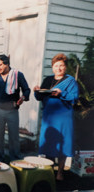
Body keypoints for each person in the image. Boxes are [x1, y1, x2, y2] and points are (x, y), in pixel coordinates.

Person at [34, 53, 78, 181]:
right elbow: (40, 97)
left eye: (62, 66)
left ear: (65, 67)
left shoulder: (70, 81)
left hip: (64, 116)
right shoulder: (48, 80)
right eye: (56, 65)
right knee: (50, 143)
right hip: (50, 116)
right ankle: (49, 170)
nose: (59, 68)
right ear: (52, 67)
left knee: (63, 143)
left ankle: (60, 172)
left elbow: (74, 98)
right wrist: (36, 91)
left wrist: (61, 93)